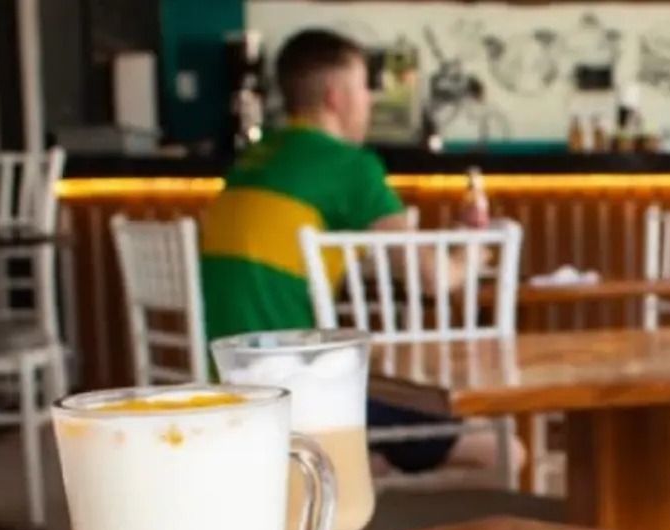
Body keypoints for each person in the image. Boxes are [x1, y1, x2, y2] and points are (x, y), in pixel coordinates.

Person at [200, 27, 506, 474]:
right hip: (297, 392)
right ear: (335, 96)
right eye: (364, 87)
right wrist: (474, 255)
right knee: (505, 450)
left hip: (229, 381)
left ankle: (337, 500)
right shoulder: (350, 166)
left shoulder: (253, 160)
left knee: (375, 458)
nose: (371, 100)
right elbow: (432, 279)